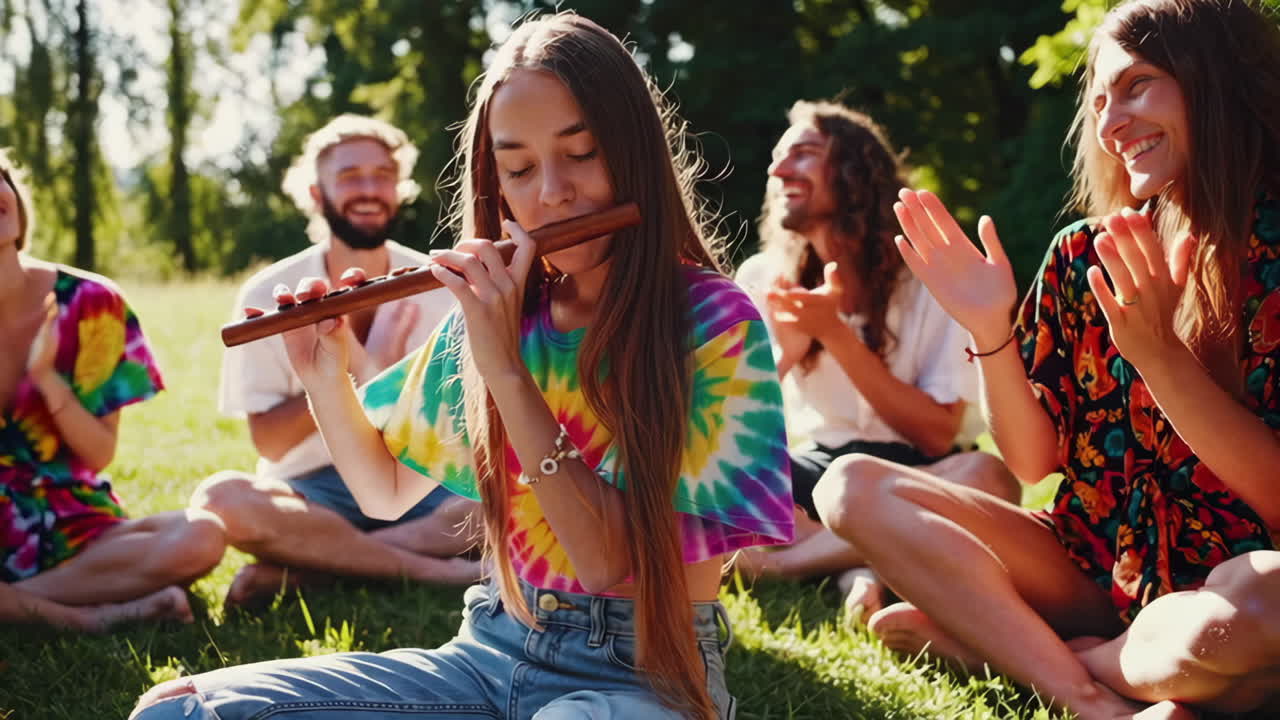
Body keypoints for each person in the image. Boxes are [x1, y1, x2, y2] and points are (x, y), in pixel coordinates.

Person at [132, 13, 792, 720]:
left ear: (635, 154)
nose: (551, 192)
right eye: (518, 168)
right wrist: (327, 371)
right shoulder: (504, 311)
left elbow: (605, 562)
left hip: (642, 673)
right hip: (489, 651)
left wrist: (505, 370)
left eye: (583, 153)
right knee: (179, 711)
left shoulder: (714, 324)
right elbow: (383, 491)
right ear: (495, 182)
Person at [814, 1, 1280, 717]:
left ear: (1215, 80)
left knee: (1261, 610)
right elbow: (1033, 464)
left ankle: (1029, 649)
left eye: (1138, 85)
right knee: (849, 488)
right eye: (1099, 100)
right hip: (1089, 564)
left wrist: (1160, 358)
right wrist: (987, 327)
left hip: (1234, 589)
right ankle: (1091, 697)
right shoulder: (1081, 255)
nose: (1111, 120)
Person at [734, 100, 1018, 618]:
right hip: (822, 466)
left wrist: (835, 337)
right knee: (716, 487)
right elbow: (723, 425)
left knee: (988, 478)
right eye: (778, 158)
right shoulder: (761, 278)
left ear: (854, 172)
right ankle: (870, 561)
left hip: (925, 469)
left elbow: (935, 432)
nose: (777, 170)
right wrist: (787, 352)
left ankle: (786, 563)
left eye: (803, 154)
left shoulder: (931, 276)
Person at [197, 115, 481, 607]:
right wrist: (342, 371)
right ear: (315, 193)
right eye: (350, 177)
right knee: (223, 501)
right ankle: (441, 575)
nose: (369, 189)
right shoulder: (270, 293)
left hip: (416, 486)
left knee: (504, 496)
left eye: (383, 175)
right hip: (313, 493)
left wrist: (376, 375)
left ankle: (318, 569)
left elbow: (457, 432)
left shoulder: (438, 285)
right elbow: (270, 440)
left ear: (400, 189)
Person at [0, 151, 223, 627]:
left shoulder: (91, 303)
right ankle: (89, 616)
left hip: (72, 525)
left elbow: (97, 454)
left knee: (201, 534)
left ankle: (17, 603)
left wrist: (46, 377)